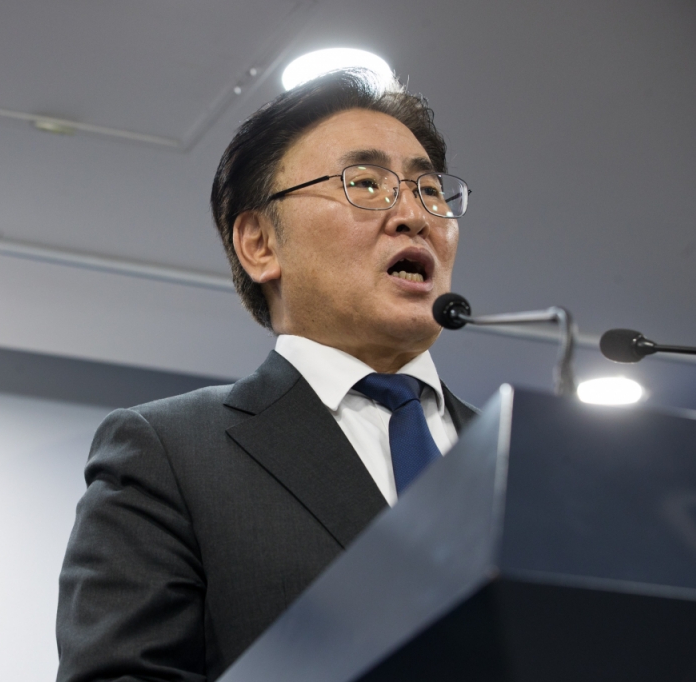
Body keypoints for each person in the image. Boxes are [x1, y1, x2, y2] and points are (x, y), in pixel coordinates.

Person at [55, 68, 478, 682]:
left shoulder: (525, 459)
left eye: (430, 191)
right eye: (365, 183)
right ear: (260, 244)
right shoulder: (169, 454)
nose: (414, 216)